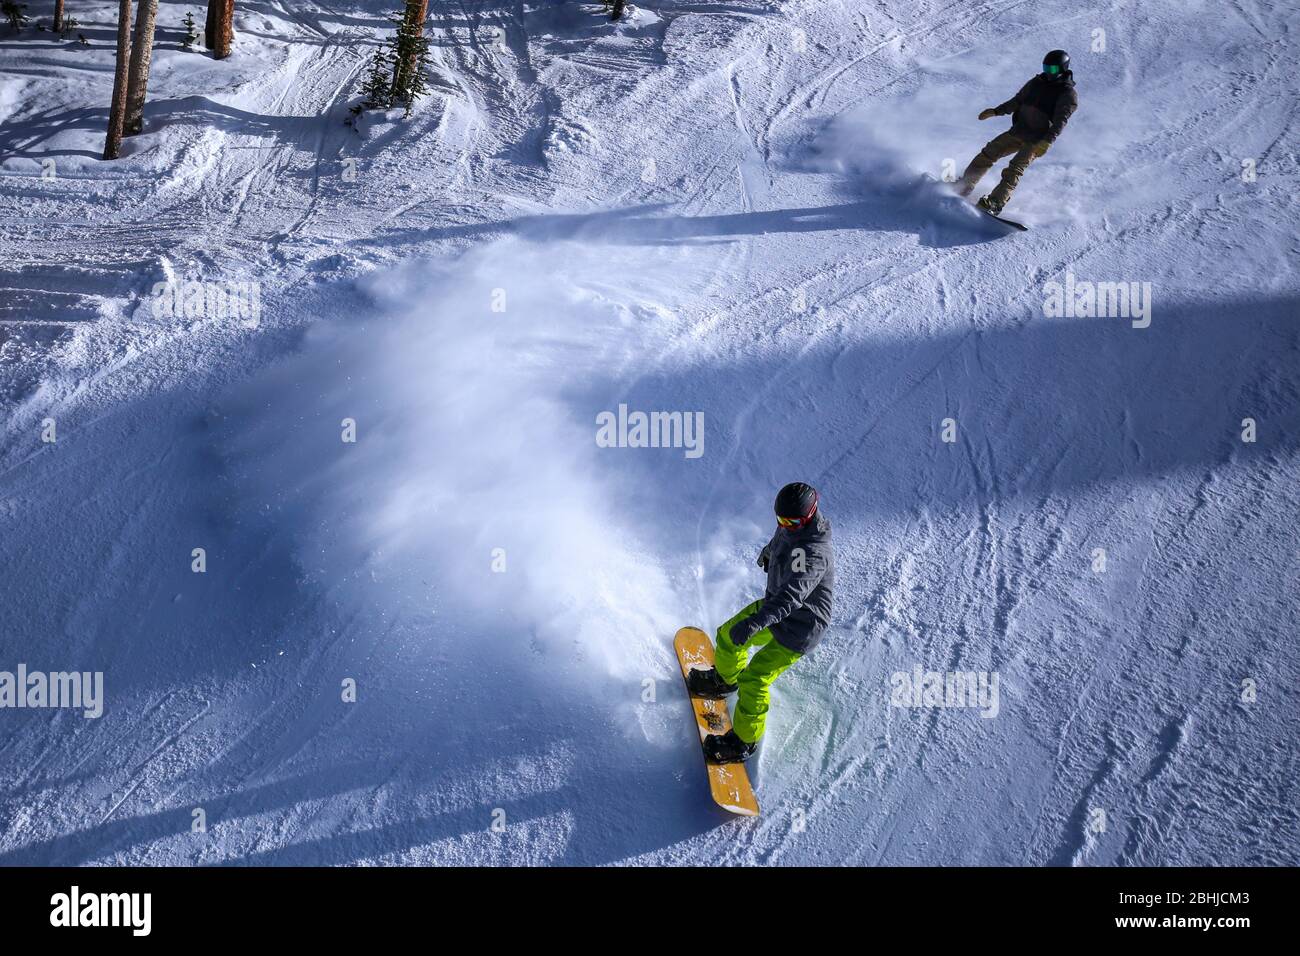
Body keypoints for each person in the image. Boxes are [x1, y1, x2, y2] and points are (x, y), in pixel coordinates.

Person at [688, 482, 835, 763]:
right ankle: (723, 680)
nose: (783, 525)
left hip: (800, 627)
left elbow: (791, 598)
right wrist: (770, 550)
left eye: (790, 521)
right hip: (775, 606)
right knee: (729, 635)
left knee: (755, 680)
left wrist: (755, 624)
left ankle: (743, 742)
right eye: (779, 519)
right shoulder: (793, 525)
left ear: (808, 517)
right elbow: (783, 536)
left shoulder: (813, 553)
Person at [957, 50, 1077, 216]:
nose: (1048, 73)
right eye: (1046, 68)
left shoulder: (1067, 94)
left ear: (1063, 69)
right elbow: (1018, 101)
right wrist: (996, 111)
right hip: (1019, 131)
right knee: (988, 153)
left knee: (1014, 168)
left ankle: (995, 202)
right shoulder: (1036, 82)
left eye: (1053, 70)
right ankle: (964, 185)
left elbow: (1060, 122)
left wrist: (1047, 141)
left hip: (1037, 140)